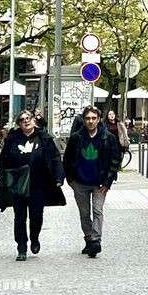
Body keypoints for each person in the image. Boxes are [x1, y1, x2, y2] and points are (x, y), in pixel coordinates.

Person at [0, 110, 66, 261]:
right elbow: (3, 160)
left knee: (36, 216)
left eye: (28, 118)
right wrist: (2, 179)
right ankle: (21, 247)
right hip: (18, 184)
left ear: (34, 120)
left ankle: (34, 238)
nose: (26, 121)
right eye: (22, 120)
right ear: (19, 124)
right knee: (19, 217)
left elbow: (55, 158)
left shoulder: (44, 138)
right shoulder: (13, 139)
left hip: (38, 184)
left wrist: (59, 177)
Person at [63, 106, 121, 258]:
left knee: (97, 210)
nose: (90, 121)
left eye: (93, 118)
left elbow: (115, 160)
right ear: (84, 119)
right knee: (84, 213)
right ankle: (88, 237)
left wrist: (108, 181)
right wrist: (70, 179)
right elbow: (67, 159)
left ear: (99, 119)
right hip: (80, 182)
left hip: (99, 183)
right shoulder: (76, 137)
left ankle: (95, 239)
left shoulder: (108, 137)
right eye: (88, 118)